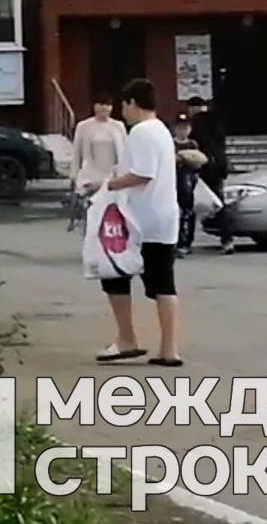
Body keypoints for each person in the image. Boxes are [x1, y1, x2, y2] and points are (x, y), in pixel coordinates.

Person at [83, 78, 183, 368]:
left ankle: (127, 338)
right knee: (164, 284)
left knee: (114, 273)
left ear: (131, 103)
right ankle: (169, 349)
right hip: (164, 218)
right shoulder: (162, 130)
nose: (121, 112)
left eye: (123, 105)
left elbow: (142, 174)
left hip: (139, 221)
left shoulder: (140, 132)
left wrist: (108, 185)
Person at [187, 96, 233, 254]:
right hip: (219, 166)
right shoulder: (217, 120)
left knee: (191, 203)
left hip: (203, 167)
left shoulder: (196, 123)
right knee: (219, 203)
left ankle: (187, 241)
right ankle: (227, 239)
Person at [73, 93, 128, 190]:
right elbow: (76, 153)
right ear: (94, 106)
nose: (104, 108)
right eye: (101, 104)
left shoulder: (119, 126)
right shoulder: (83, 126)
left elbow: (126, 152)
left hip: (113, 175)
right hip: (90, 175)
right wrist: (73, 175)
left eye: (108, 105)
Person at [172, 114, 208, 259]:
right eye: (180, 128)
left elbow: (199, 161)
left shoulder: (192, 144)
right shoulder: (170, 143)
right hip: (173, 182)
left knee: (188, 213)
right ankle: (176, 242)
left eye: (185, 128)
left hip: (189, 181)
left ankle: (186, 242)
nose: (183, 131)